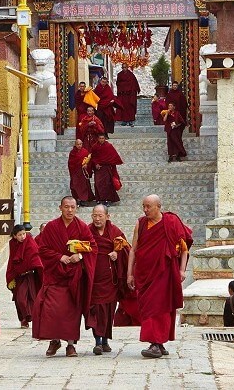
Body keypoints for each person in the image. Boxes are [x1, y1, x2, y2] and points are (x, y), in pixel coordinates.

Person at [127, 195, 192, 359]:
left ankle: (155, 343)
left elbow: (184, 249)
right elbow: (133, 249)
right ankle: (159, 342)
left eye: (148, 206)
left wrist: (182, 270)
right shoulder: (140, 224)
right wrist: (129, 273)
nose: (145, 210)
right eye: (143, 206)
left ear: (159, 206)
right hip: (144, 274)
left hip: (165, 274)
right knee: (149, 307)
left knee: (160, 308)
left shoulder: (171, 222)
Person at [32, 196, 97, 358]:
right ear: (60, 208)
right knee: (52, 310)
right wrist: (59, 257)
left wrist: (80, 257)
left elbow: (92, 246)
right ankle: (54, 340)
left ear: (76, 208)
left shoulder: (81, 227)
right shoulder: (52, 227)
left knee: (71, 312)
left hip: (73, 277)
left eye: (73, 207)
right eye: (66, 207)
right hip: (55, 275)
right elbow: (42, 249)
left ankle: (70, 345)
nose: (69, 210)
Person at [85, 204, 129, 355]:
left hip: (110, 279)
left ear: (107, 216)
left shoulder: (115, 231)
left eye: (100, 216)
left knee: (109, 310)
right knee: (96, 309)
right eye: (94, 216)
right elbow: (81, 248)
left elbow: (126, 248)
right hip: (93, 278)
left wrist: (117, 255)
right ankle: (97, 341)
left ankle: (105, 341)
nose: (97, 219)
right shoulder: (87, 231)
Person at [6, 225, 44, 329]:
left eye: (23, 234)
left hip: (30, 276)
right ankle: (24, 319)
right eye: (19, 235)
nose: (23, 236)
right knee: (20, 299)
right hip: (19, 276)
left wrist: (39, 269)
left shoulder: (30, 241)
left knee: (32, 298)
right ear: (14, 236)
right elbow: (12, 259)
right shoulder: (12, 244)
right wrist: (11, 275)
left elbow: (35, 256)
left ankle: (31, 318)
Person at [87, 133, 123, 206]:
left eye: (102, 138)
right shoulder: (95, 147)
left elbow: (114, 156)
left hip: (106, 168)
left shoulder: (109, 146)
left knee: (106, 184)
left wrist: (111, 164)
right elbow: (92, 157)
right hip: (98, 169)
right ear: (97, 139)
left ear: (105, 138)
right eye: (100, 138)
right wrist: (95, 164)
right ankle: (99, 199)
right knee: (97, 183)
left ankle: (106, 200)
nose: (101, 140)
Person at [68, 139, 95, 206]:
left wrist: (86, 165)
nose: (79, 146)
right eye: (78, 144)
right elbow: (70, 163)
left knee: (83, 186)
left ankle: (84, 200)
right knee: (74, 186)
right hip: (75, 172)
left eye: (80, 144)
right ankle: (77, 199)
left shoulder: (85, 151)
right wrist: (76, 167)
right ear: (75, 144)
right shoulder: (72, 153)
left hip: (83, 172)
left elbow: (89, 161)